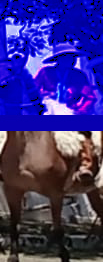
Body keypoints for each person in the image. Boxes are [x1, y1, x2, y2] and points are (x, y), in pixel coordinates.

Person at [34, 42, 99, 183]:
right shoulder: (45, 73)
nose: (72, 60)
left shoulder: (79, 76)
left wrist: (79, 111)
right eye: (68, 57)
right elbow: (33, 93)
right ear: (59, 59)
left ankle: (84, 164)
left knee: (85, 134)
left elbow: (89, 97)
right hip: (48, 110)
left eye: (73, 57)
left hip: (72, 112)